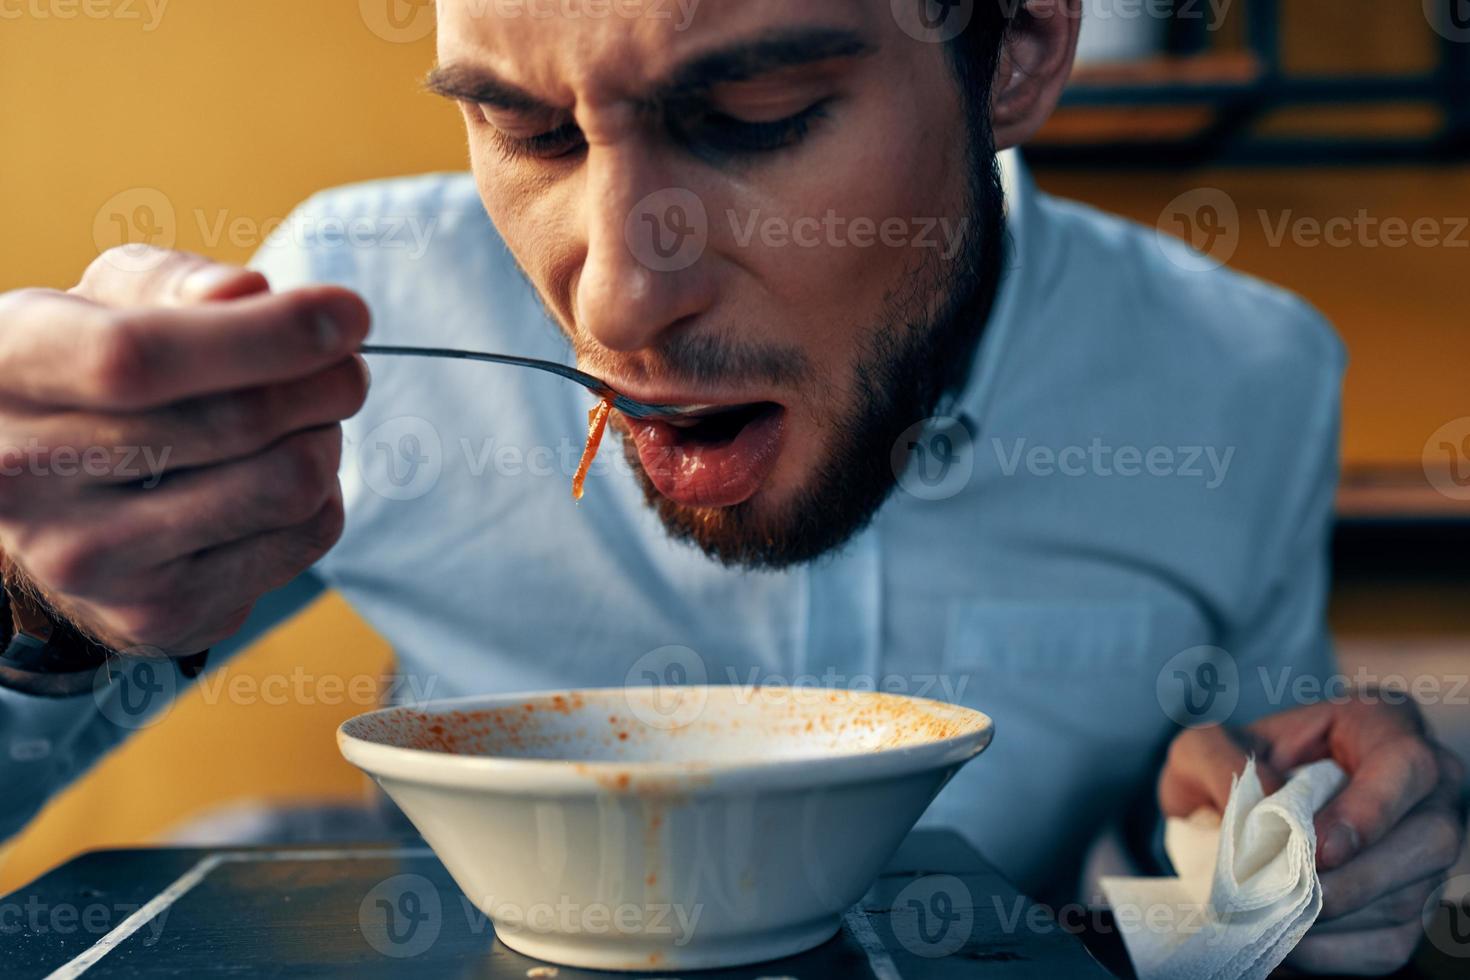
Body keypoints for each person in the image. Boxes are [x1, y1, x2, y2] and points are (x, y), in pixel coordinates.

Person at [0, 2, 1461, 972]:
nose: (620, 300)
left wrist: (1282, 832)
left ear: (1014, 47)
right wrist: (33, 602)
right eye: (527, 131)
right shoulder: (360, 308)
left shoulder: (1242, 379)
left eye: (755, 116)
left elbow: (1195, 835)